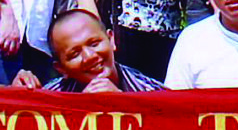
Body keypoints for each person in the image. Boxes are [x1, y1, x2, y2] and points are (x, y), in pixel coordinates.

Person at [35, 9, 167, 92]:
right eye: (75, 54)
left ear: (111, 40)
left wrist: (124, 103)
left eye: (94, 44)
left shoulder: (152, 93)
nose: (89, 56)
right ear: (61, 68)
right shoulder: (53, 98)